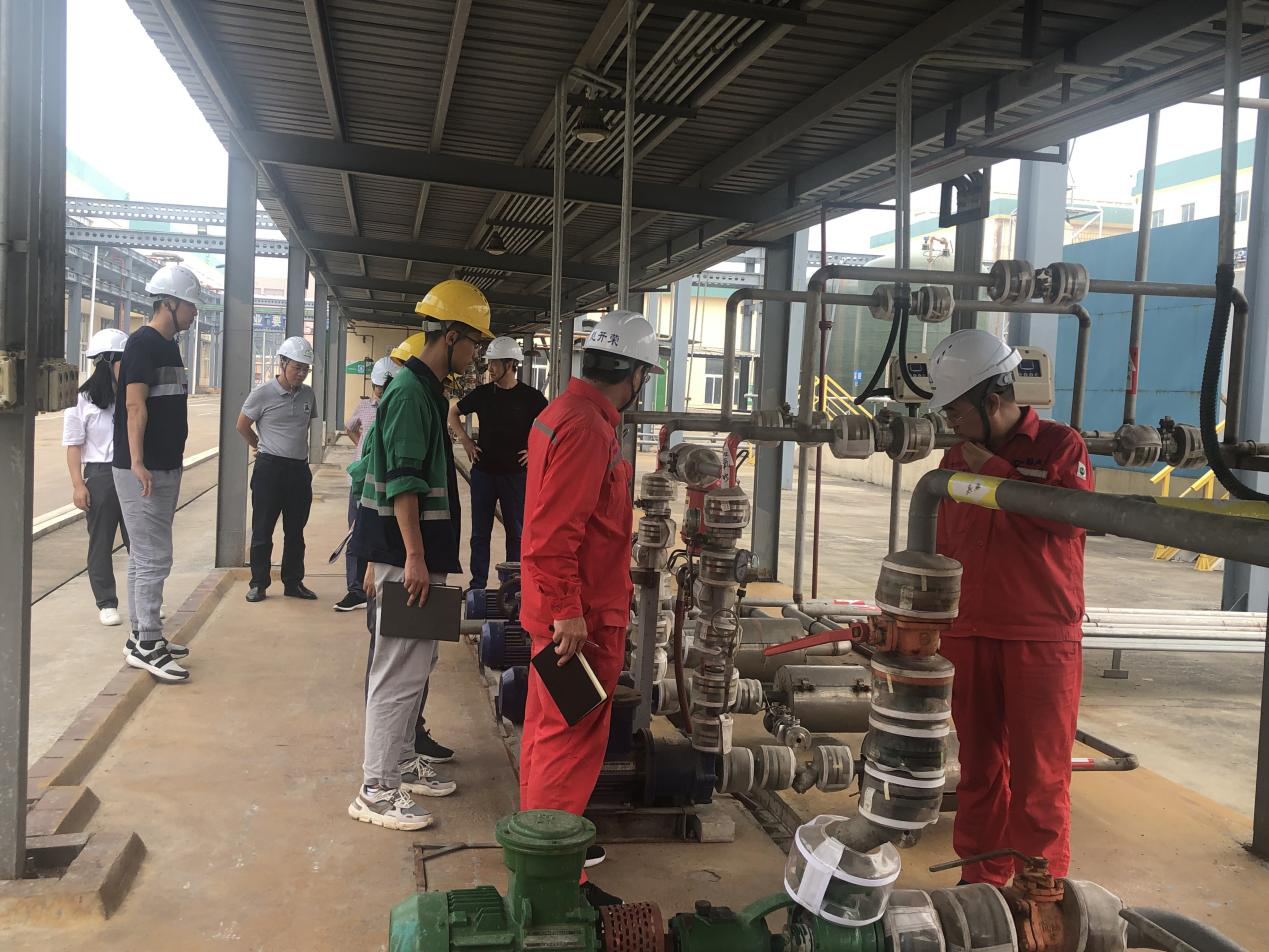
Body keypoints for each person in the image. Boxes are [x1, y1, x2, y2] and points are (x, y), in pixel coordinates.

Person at [927, 328, 1092, 887]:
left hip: (1038, 637)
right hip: (969, 633)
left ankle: (1037, 898)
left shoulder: (1060, 445)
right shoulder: (955, 457)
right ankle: (981, 888)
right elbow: (947, 540)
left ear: (992, 401)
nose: (950, 422)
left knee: (1040, 778)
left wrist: (996, 474)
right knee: (978, 772)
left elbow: (1070, 518)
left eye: (955, 410)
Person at [518, 310, 662, 906]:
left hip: (562, 613)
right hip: (581, 621)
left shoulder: (561, 413)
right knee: (569, 744)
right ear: (634, 374)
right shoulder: (588, 428)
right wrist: (568, 611)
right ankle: (555, 887)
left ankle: (540, 847)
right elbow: (554, 533)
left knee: (545, 734)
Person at [346, 279, 492, 831]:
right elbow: (404, 483)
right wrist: (412, 557)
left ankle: (402, 762)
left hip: (419, 553)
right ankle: (376, 790)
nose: (475, 355)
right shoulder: (410, 393)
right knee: (398, 670)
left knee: (417, 664)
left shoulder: (426, 391)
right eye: (474, 342)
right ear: (450, 336)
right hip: (406, 552)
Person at [114, 262, 200, 683]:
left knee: (144, 555)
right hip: (143, 469)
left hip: (165, 465)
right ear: (169, 303)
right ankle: (149, 642)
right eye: (190, 305)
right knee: (154, 556)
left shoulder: (170, 346)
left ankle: (140, 637)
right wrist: (137, 462)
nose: (194, 313)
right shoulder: (142, 344)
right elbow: (135, 406)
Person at [449, 336, 547, 590]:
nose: (490, 368)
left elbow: (553, 426)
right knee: (480, 534)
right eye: (489, 363)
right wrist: (466, 441)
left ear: (511, 364)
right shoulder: (482, 394)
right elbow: (453, 413)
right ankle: (477, 585)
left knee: (516, 533)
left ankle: (512, 586)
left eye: (494, 363)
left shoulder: (531, 397)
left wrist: (536, 451)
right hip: (484, 473)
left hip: (516, 475)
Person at [237, 336, 319, 603]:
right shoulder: (262, 393)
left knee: (295, 532)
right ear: (282, 363)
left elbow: (303, 427)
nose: (301, 373)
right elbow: (242, 425)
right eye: (297, 367)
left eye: (305, 368)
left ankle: (293, 582)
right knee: (263, 530)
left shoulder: (308, 394)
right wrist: (259, 446)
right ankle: (258, 584)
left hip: (298, 471)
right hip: (269, 470)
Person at [64, 328, 131, 627]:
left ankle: (146, 599)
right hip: (100, 475)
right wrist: (78, 485)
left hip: (131, 471)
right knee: (101, 542)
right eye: (123, 359)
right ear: (109, 361)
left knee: (138, 541)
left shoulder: (132, 395)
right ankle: (106, 602)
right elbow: (73, 445)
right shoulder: (81, 400)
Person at [335, 355, 399, 612]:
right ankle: (355, 589)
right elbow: (350, 428)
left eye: (385, 387)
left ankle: (378, 586)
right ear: (373, 386)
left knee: (382, 534)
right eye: (379, 387)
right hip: (361, 480)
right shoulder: (365, 407)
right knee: (355, 533)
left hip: (383, 482)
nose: (381, 392)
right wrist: (361, 448)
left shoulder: (397, 408)